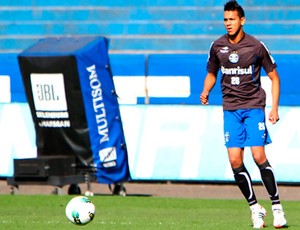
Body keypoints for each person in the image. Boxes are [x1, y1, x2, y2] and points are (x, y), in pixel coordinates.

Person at [200, 0, 287, 229]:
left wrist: (274, 108)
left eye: (232, 19)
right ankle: (255, 208)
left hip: (253, 107)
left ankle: (277, 208)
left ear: (242, 20)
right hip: (230, 110)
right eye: (225, 19)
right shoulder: (217, 46)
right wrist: (206, 90)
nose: (228, 23)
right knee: (234, 160)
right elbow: (211, 73)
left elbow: (275, 77)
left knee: (259, 156)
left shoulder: (256, 46)